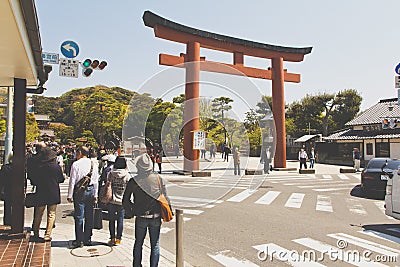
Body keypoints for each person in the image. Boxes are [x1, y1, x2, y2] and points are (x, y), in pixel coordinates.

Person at [123, 153, 172, 267]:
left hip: (141, 215)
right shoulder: (158, 179)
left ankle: (137, 265)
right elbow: (165, 196)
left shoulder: (133, 181)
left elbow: (125, 200)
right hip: (155, 215)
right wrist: (169, 210)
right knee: (155, 244)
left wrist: (131, 210)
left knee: (138, 243)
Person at [67, 146, 99, 248]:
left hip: (79, 191)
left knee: (79, 216)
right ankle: (88, 238)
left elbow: (72, 180)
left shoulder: (76, 164)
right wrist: (96, 194)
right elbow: (96, 180)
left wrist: (69, 194)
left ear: (80, 152)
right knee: (89, 216)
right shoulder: (93, 164)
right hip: (91, 190)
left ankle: (79, 240)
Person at [30, 147, 64, 241]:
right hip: (53, 192)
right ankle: (47, 234)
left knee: (38, 213)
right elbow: (61, 179)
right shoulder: (55, 167)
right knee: (51, 214)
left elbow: (34, 179)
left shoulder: (39, 166)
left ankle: (36, 231)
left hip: (41, 191)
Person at [107, 156, 130, 246]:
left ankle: (112, 237)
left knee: (111, 220)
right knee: (120, 220)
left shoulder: (110, 173)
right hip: (122, 201)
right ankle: (119, 239)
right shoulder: (127, 175)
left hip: (112, 199)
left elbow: (107, 185)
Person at [0, 153, 14, 226]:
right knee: (17, 208)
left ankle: (7, 223)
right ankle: (15, 224)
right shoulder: (20, 168)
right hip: (16, 191)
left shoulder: (5, 168)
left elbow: (1, 180)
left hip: (7, 190)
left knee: (7, 208)